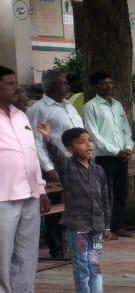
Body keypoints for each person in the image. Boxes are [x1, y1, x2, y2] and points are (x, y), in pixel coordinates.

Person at [37, 124, 111, 293]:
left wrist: (107, 225)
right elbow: (56, 155)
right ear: (70, 149)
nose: (88, 145)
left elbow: (105, 199)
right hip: (78, 227)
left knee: (94, 264)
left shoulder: (98, 170)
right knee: (82, 265)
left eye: (89, 140)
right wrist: (48, 140)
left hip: (95, 227)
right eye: (81, 142)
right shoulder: (67, 167)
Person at [0, 67, 47, 293]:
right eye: (9, 83)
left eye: (16, 83)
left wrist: (40, 189)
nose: (16, 88)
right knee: (2, 253)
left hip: (29, 191)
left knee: (26, 252)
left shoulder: (21, 116)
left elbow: (32, 154)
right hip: (3, 195)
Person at [29, 70, 84, 259]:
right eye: (63, 83)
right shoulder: (39, 109)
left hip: (77, 163)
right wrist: (49, 168)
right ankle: (57, 248)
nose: (67, 86)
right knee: (55, 209)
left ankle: (74, 243)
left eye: (67, 82)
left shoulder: (69, 106)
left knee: (75, 204)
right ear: (51, 86)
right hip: (57, 165)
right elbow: (36, 141)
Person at [82, 71, 135, 238]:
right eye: (104, 83)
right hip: (104, 157)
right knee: (105, 193)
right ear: (96, 86)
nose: (108, 86)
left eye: (110, 83)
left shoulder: (117, 105)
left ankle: (118, 226)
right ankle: (105, 228)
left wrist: (128, 147)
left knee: (122, 191)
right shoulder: (90, 107)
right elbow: (94, 135)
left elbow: (125, 128)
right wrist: (115, 151)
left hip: (122, 155)